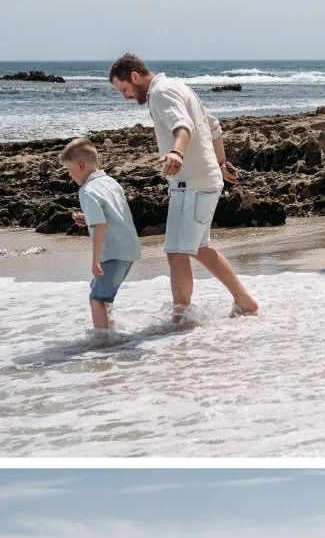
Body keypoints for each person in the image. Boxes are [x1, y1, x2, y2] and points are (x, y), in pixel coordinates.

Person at [108, 54, 258, 318]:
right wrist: (221, 163)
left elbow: (182, 126)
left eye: (124, 89)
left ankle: (181, 317)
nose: (125, 97)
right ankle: (243, 301)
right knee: (198, 248)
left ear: (134, 76)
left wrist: (176, 153)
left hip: (192, 184)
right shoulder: (178, 87)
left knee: (177, 252)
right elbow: (213, 126)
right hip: (202, 180)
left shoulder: (161, 93)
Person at [61, 137, 141, 331]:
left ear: (80, 165)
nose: (69, 175)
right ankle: (111, 328)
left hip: (112, 253)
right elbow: (115, 215)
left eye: (69, 170)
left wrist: (95, 259)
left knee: (96, 298)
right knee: (100, 292)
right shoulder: (111, 182)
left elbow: (100, 226)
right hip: (128, 250)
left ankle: (103, 341)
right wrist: (89, 218)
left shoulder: (87, 191)